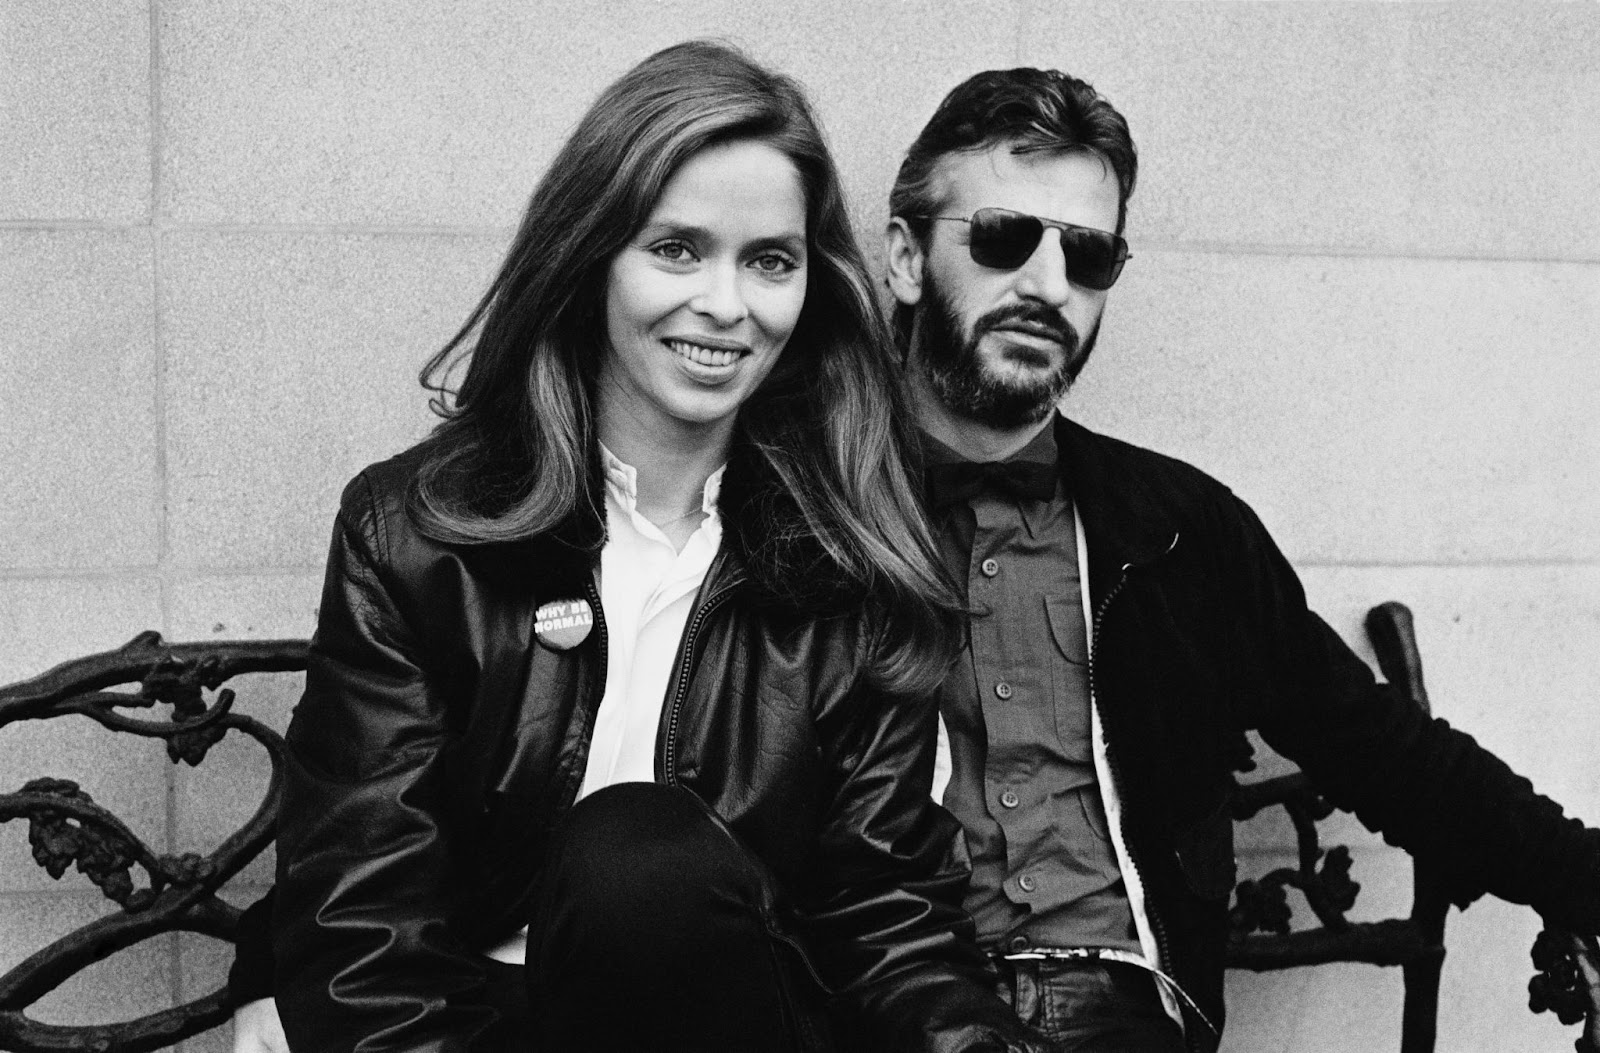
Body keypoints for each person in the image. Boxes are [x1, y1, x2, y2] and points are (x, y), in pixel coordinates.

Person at [229, 41, 1049, 1053]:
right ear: (591, 256)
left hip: (735, 1022)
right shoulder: (417, 535)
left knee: (642, 859)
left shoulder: (850, 561)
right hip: (471, 1028)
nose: (725, 304)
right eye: (676, 250)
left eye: (769, 261)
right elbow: (362, 912)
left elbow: (883, 911)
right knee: (630, 850)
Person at [883, 66, 1600, 1052]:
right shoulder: (805, 513)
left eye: (1087, 256)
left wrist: (1581, 875)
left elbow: (1382, 749)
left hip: (1118, 1006)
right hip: (883, 997)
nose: (1048, 285)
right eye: (1004, 238)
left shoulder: (1178, 532)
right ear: (905, 259)